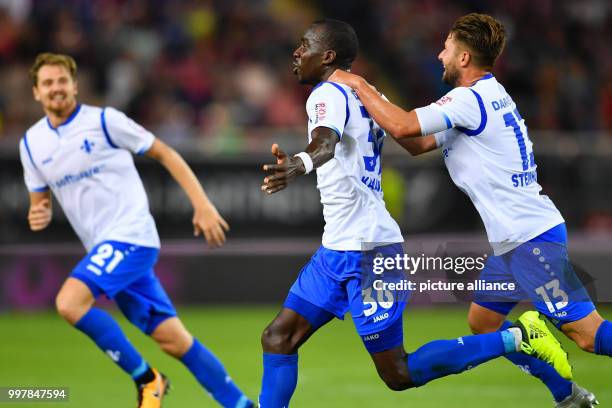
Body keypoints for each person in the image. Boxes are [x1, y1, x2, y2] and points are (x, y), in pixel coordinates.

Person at [259, 18, 572, 408]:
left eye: (304, 45)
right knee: (278, 337)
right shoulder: (364, 92)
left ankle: (518, 339)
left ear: (328, 56)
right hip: (338, 247)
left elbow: (325, 143)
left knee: (398, 373)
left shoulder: (328, 94)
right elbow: (407, 138)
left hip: (369, 251)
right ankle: (559, 385)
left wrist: (299, 164)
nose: (296, 52)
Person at [329, 12, 610, 408]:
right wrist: (374, 107)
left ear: (463, 58)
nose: (439, 54)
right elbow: (415, 142)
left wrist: (357, 83)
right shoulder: (483, 97)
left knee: (590, 336)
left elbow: (407, 127)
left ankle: (566, 390)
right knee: (483, 323)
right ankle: (568, 396)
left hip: (530, 241)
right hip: (512, 243)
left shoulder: (468, 100)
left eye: (447, 47)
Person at [20, 52, 253, 408]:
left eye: (62, 81)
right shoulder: (31, 145)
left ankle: (148, 379)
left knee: (69, 303)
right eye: (48, 83)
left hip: (131, 235)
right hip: (104, 248)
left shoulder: (104, 122)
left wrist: (202, 205)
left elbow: (166, 153)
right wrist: (38, 212)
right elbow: (40, 202)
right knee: (175, 341)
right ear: (36, 92)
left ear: (75, 85)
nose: (57, 89)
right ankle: (241, 404)